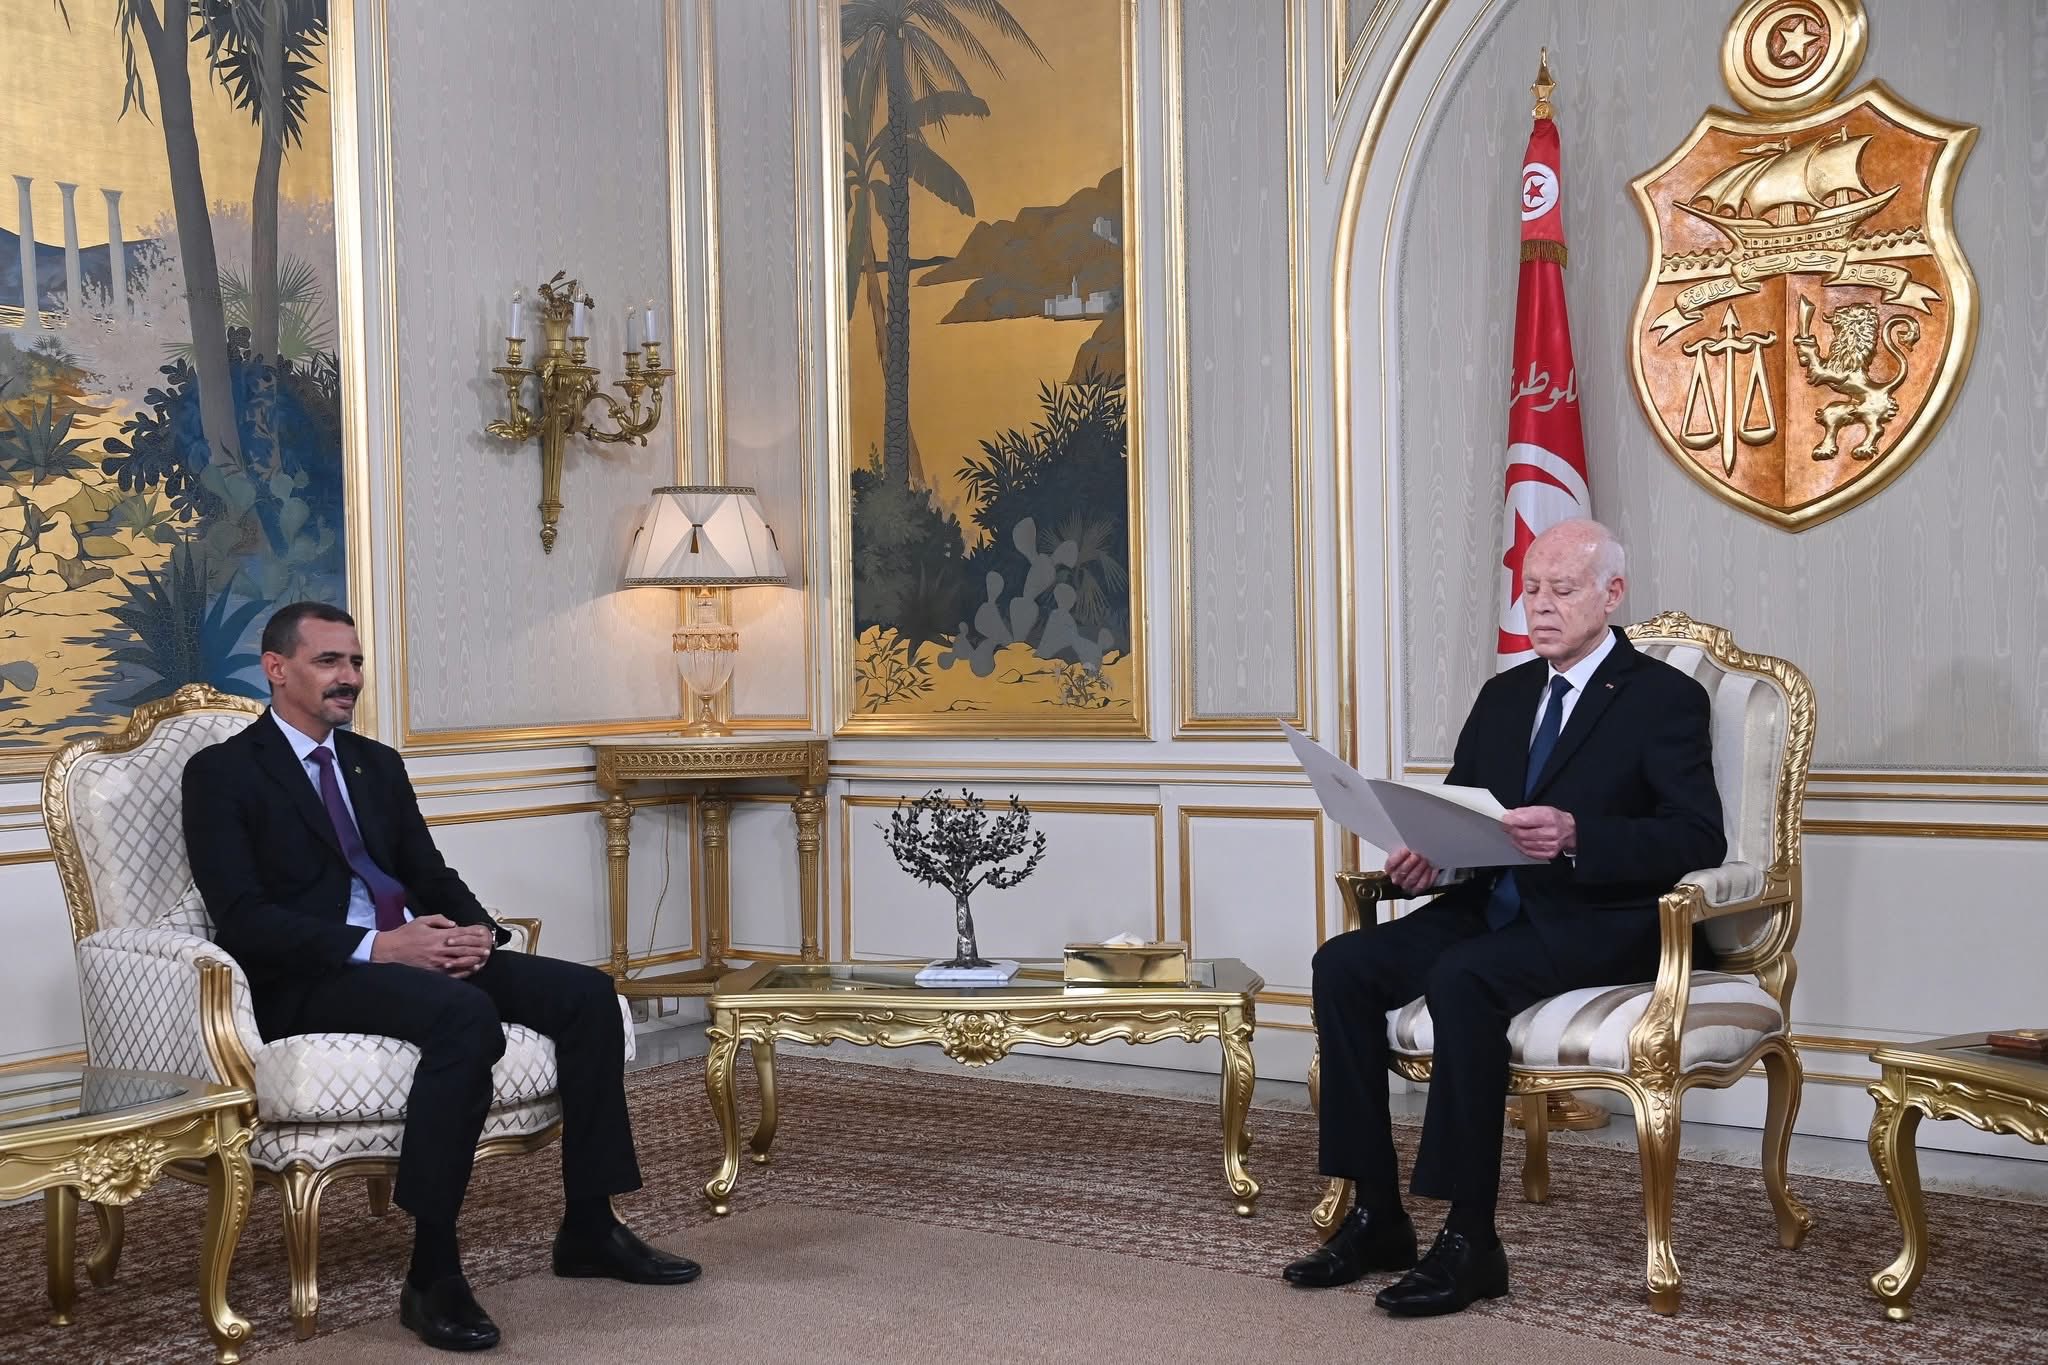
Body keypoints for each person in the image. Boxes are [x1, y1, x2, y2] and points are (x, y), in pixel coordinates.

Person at [183, 602, 699, 1352]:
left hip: (413, 953)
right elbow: (242, 919)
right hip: (312, 977)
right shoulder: (223, 773)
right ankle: (432, 1272)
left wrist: (476, 933)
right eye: (329, 661)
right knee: (464, 1018)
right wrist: (379, 947)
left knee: (588, 994)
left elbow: (427, 873)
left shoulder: (375, 764)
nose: (349, 677)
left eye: (355, 662)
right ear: (277, 668)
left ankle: (590, 1225)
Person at [1281, 519, 1725, 1317]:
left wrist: (1578, 834)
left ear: (1612, 593)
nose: (1541, 606)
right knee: (1341, 965)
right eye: (1531, 589)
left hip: (1598, 918)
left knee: (1464, 977)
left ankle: (1470, 1238)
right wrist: (1431, 857)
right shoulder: (1505, 696)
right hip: (1489, 904)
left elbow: (1696, 837)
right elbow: (1461, 813)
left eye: (1563, 589)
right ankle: (1377, 1214)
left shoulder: (1664, 698)